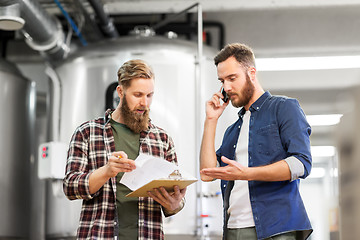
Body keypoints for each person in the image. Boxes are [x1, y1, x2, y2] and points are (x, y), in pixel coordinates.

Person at [200, 43, 313, 240]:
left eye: (232, 78)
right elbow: (207, 173)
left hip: (276, 228)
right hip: (234, 229)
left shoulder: (284, 108)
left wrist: (247, 174)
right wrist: (211, 120)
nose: (227, 87)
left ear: (251, 73)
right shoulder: (232, 130)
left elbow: (301, 164)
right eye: (222, 81)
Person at [63, 59, 186, 240]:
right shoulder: (87, 132)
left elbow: (175, 200)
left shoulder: (162, 139)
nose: (144, 103)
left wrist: (175, 203)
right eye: (138, 95)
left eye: (149, 95)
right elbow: (70, 187)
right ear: (120, 92)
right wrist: (106, 171)